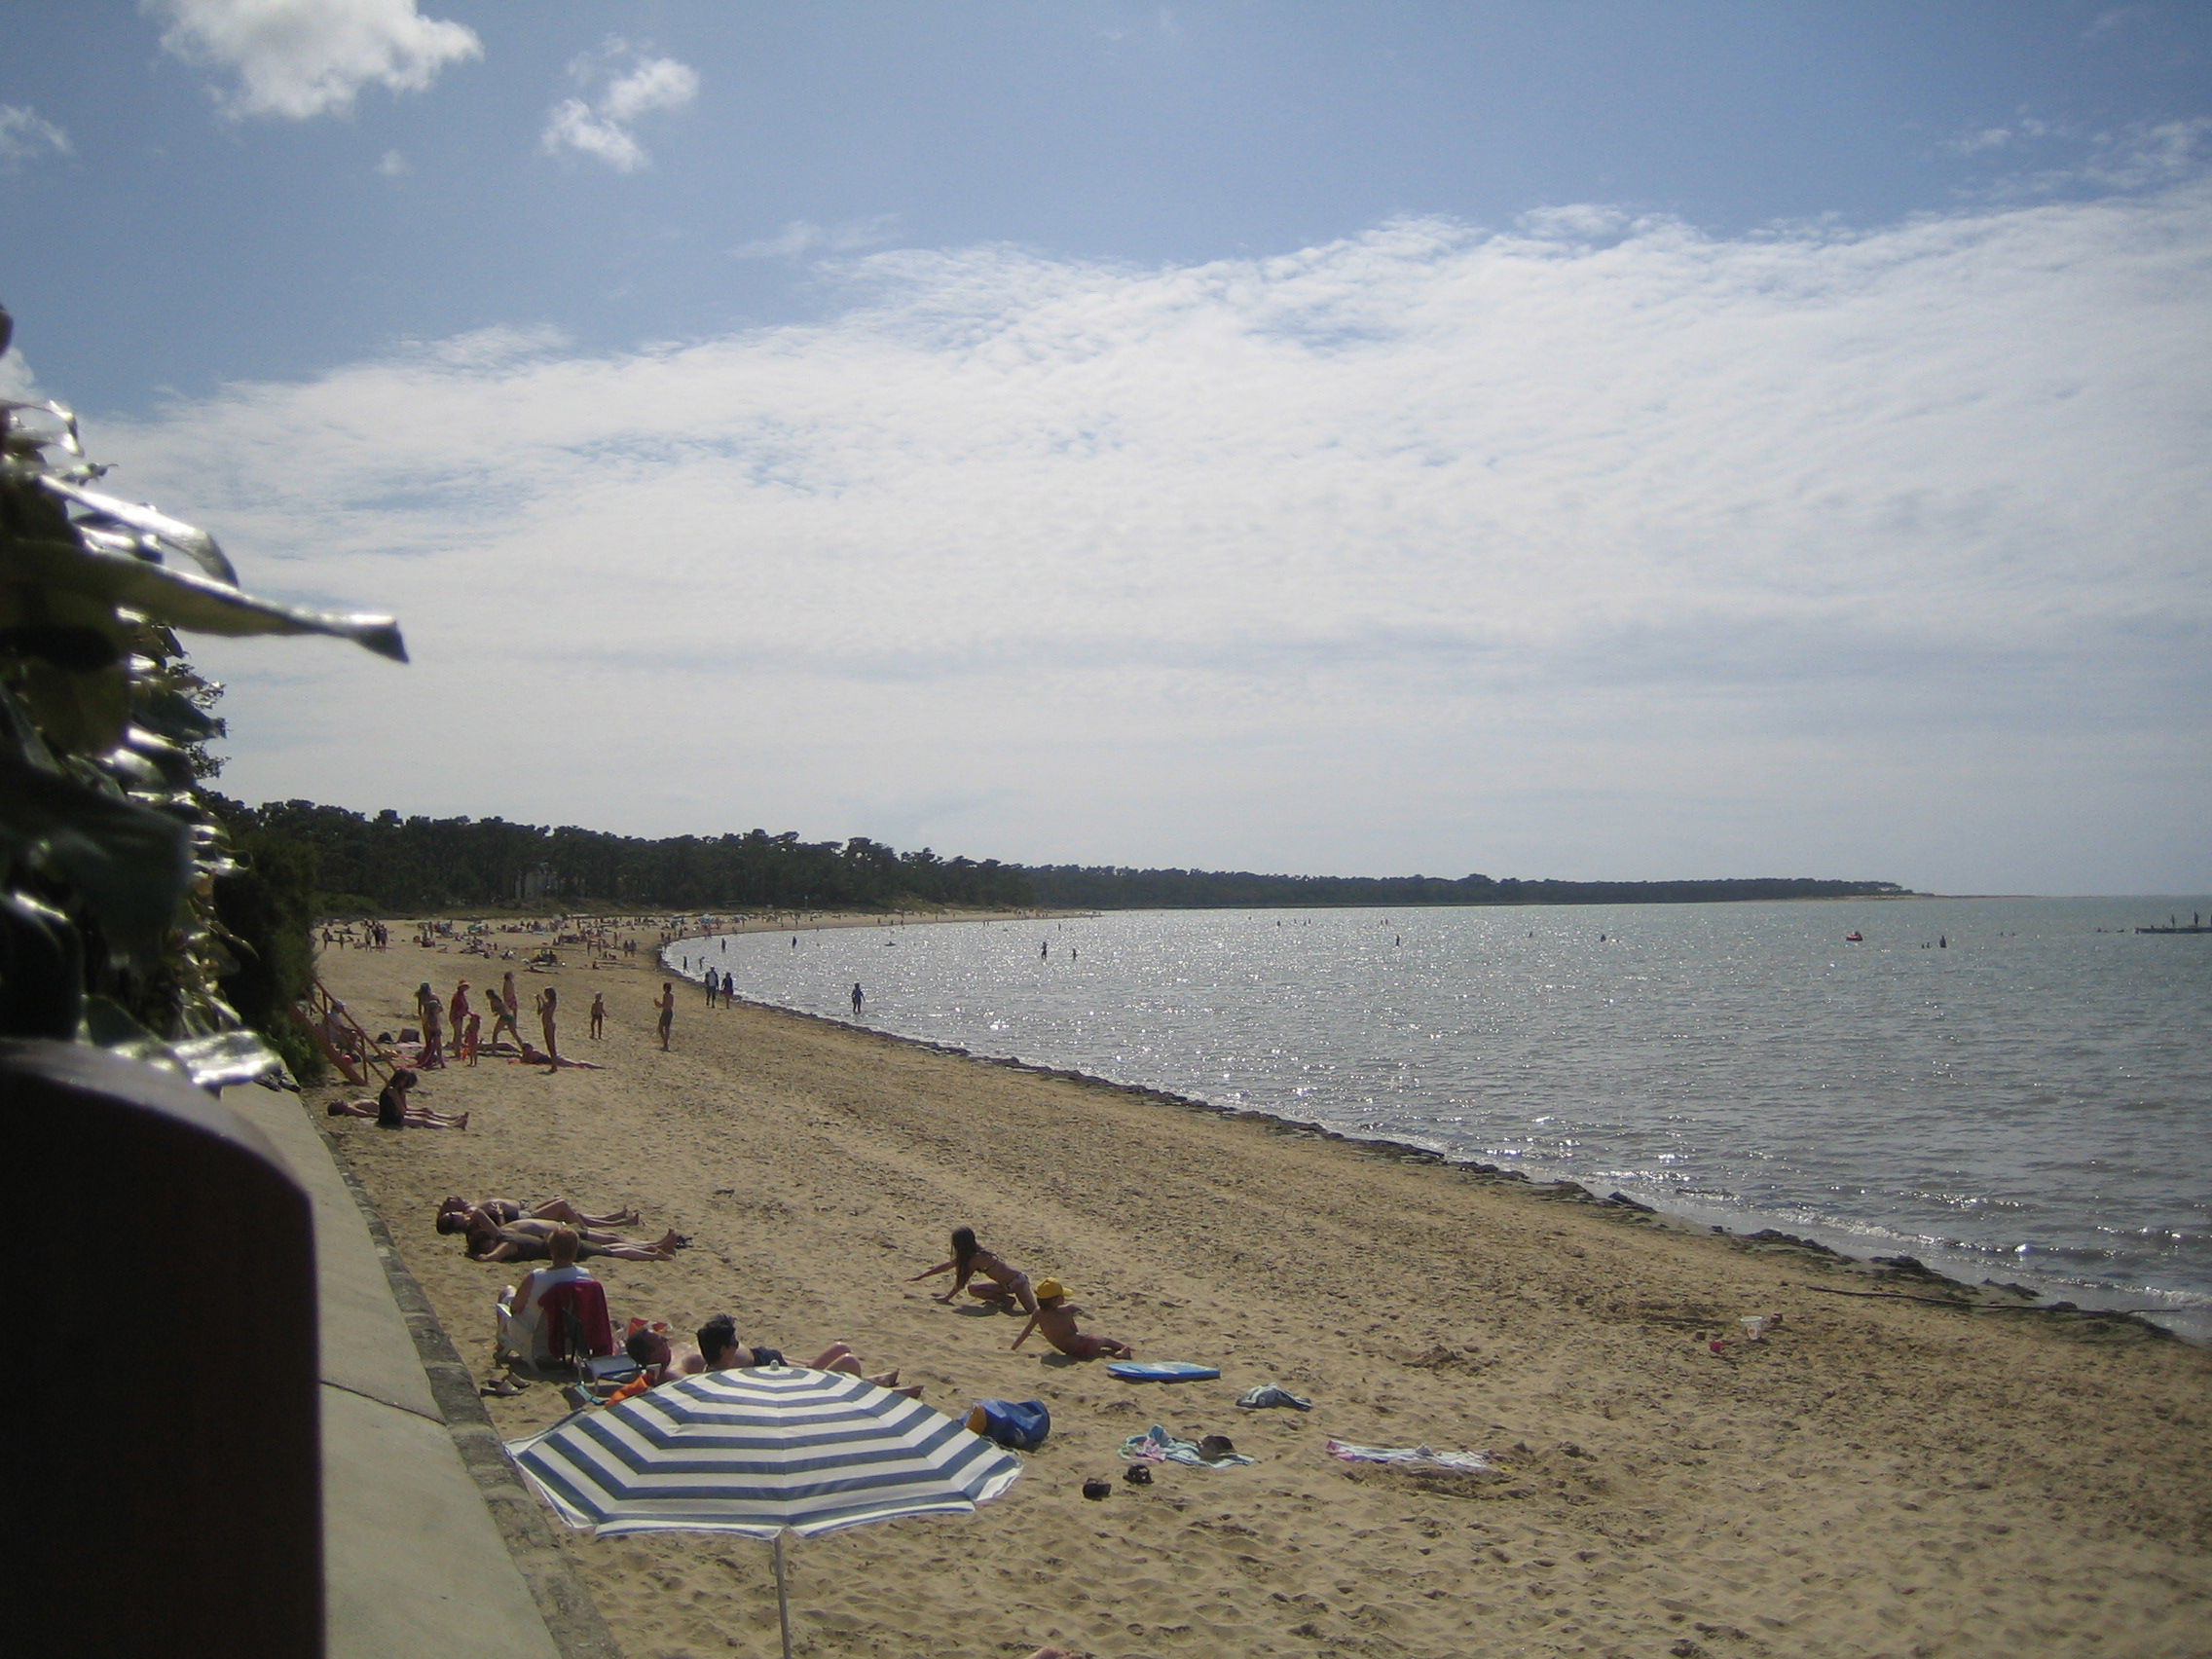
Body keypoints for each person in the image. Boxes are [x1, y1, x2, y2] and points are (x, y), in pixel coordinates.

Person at [692, 1315, 916, 1394]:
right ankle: (874, 1388)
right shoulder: (726, 1376)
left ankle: (872, 1382)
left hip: (780, 1361)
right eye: (733, 1341)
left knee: (841, 1348)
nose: (737, 1343)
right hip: (787, 1377)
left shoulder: (721, 1356)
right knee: (849, 1362)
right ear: (723, 1349)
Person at [498, 1225, 594, 1366]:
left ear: (551, 1250)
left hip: (536, 1339)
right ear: (576, 1250)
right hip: (570, 1340)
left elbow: (515, 1308)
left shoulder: (536, 1277)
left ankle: (501, 1345)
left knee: (507, 1292)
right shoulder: (586, 1277)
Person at [460, 1209, 681, 1263]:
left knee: (611, 1241)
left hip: (559, 1234)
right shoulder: (504, 1239)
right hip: (560, 1237)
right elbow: (493, 1255)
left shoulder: (502, 1232)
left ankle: (654, 1246)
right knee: (610, 1245)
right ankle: (654, 1249)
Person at [907, 1226, 1039, 1315]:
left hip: (1018, 1282)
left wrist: (946, 1298)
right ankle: (1006, 1300)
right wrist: (921, 1277)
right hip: (1004, 1285)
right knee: (974, 1289)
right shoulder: (971, 1255)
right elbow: (947, 1266)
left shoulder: (976, 1258)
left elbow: (960, 1282)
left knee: (1033, 1311)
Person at [1012, 1278, 1131, 1360]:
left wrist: (1014, 1347)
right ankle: (1123, 1348)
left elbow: (1025, 1333)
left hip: (1067, 1350)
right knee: (1105, 1340)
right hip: (1080, 1346)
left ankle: (1113, 1351)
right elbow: (1074, 1330)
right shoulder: (1065, 1311)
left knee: (1099, 1348)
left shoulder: (1038, 1313)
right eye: (1062, 1296)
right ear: (1055, 1300)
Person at [325, 1068, 466, 1129]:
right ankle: (452, 1125)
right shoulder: (391, 1090)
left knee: (425, 1113)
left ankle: (452, 1119)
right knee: (423, 1120)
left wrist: (403, 1094)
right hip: (390, 1119)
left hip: (394, 1114)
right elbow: (401, 1110)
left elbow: (402, 1106)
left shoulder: (397, 1090)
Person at [436, 1195, 641, 1231]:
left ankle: (612, 1219)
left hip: (525, 1214)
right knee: (562, 1206)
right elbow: (499, 1231)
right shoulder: (474, 1221)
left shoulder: (472, 1215)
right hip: (525, 1220)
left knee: (568, 1210)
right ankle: (610, 1225)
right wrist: (498, 1215)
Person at [535, 985, 560, 1066]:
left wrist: (542, 1000)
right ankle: (553, 1063)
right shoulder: (547, 1003)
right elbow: (539, 1012)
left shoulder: (553, 1002)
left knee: (552, 1046)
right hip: (545, 1025)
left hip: (549, 1025)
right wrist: (538, 1002)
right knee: (549, 1046)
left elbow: (549, 1011)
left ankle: (555, 1064)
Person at [447, 980, 473, 1055]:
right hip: (456, 1016)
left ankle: (456, 1050)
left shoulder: (461, 995)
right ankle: (457, 1051)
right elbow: (456, 1008)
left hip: (459, 1016)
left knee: (457, 1034)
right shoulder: (457, 996)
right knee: (458, 1034)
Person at [655, 981, 675, 1051]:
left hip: (666, 1012)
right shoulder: (671, 996)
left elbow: (664, 1005)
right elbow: (670, 1005)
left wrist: (657, 1003)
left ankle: (665, 1044)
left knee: (661, 1028)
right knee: (666, 1028)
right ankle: (665, 1044)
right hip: (670, 1012)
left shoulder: (665, 995)